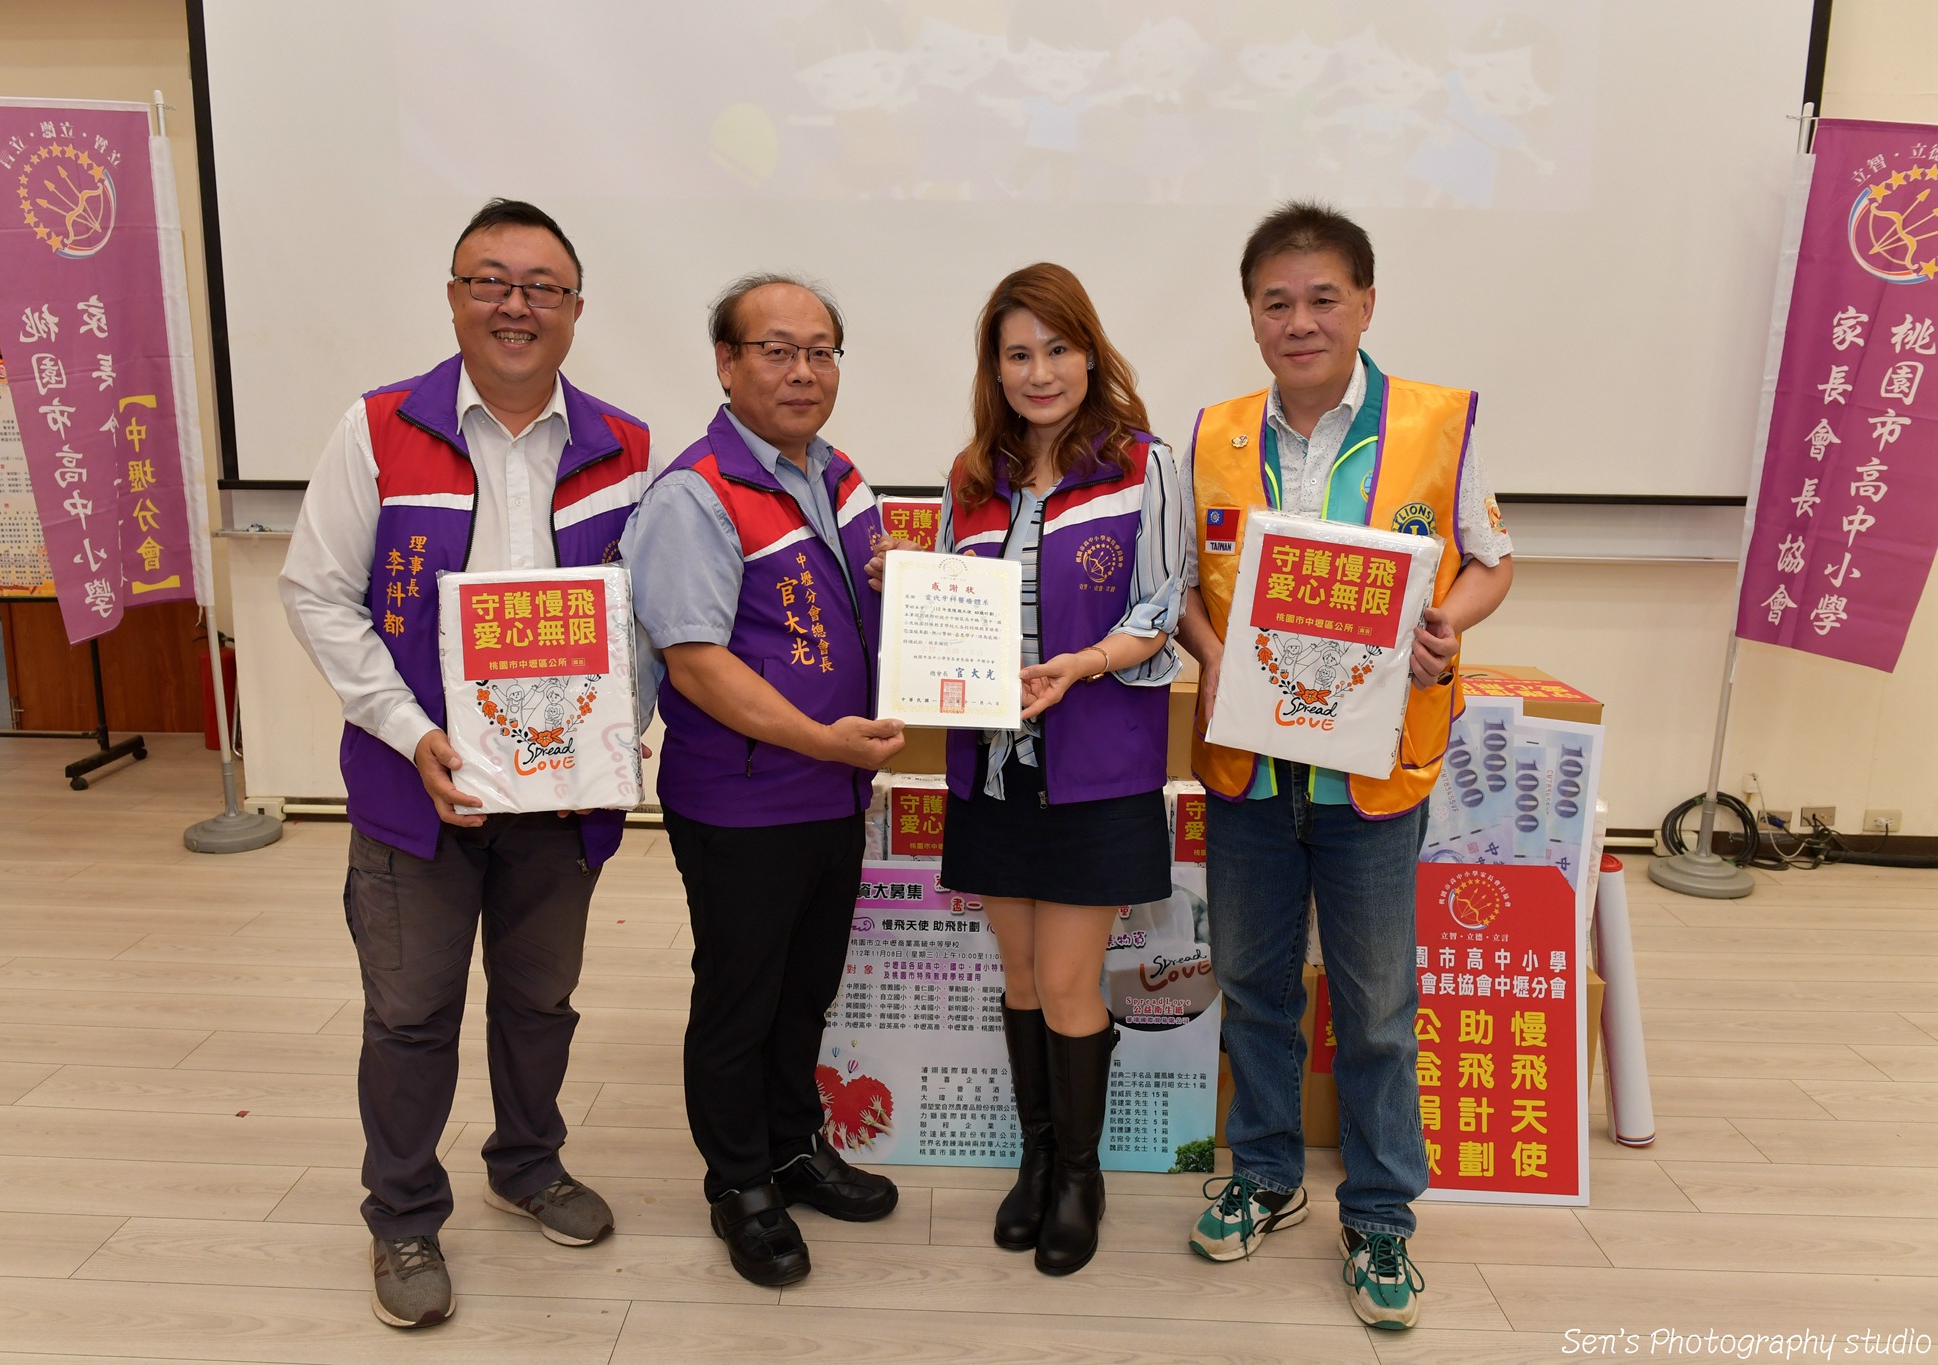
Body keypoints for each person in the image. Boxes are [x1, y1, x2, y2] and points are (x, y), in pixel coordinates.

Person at [281, 199, 650, 1329]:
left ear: (576, 310)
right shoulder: (378, 427)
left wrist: (617, 728)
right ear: (452, 298)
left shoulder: (627, 447)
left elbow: (646, 615)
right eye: (489, 280)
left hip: (561, 792)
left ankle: (527, 1163)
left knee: (540, 998)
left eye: (542, 286)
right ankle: (402, 1215)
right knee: (410, 1012)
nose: (514, 305)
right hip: (417, 787)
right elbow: (317, 593)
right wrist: (412, 734)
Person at [1177, 201, 1513, 1330]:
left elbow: (1490, 559)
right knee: (1253, 986)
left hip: (1371, 775)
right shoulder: (1213, 435)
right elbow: (1186, 589)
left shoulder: (1437, 422)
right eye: (1276, 302)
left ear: (1366, 304)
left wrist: (1450, 622)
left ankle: (1378, 1214)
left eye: (1323, 298)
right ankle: (1267, 1175)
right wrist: (1211, 653)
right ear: (1251, 315)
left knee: (1373, 1007)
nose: (1300, 321)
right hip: (1250, 772)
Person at [873, 262, 1188, 1276]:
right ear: (994, 368)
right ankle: (1037, 1157)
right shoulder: (971, 477)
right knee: (1016, 976)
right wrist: (903, 589)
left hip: (1095, 769)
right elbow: (943, 609)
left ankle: (1080, 1176)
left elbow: (1160, 605)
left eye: (1056, 349)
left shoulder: (1141, 463)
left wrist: (1081, 663)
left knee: (1063, 981)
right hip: (994, 772)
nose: (1038, 372)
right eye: (1017, 354)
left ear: (1089, 354)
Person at [621, 274, 906, 1288]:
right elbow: (697, 662)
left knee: (804, 991)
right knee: (740, 998)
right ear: (727, 364)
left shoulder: (838, 476)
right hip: (742, 800)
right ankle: (738, 1183)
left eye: (820, 351)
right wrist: (824, 740)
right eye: (776, 350)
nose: (802, 371)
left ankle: (792, 1149)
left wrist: (903, 589)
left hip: (832, 792)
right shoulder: (695, 494)